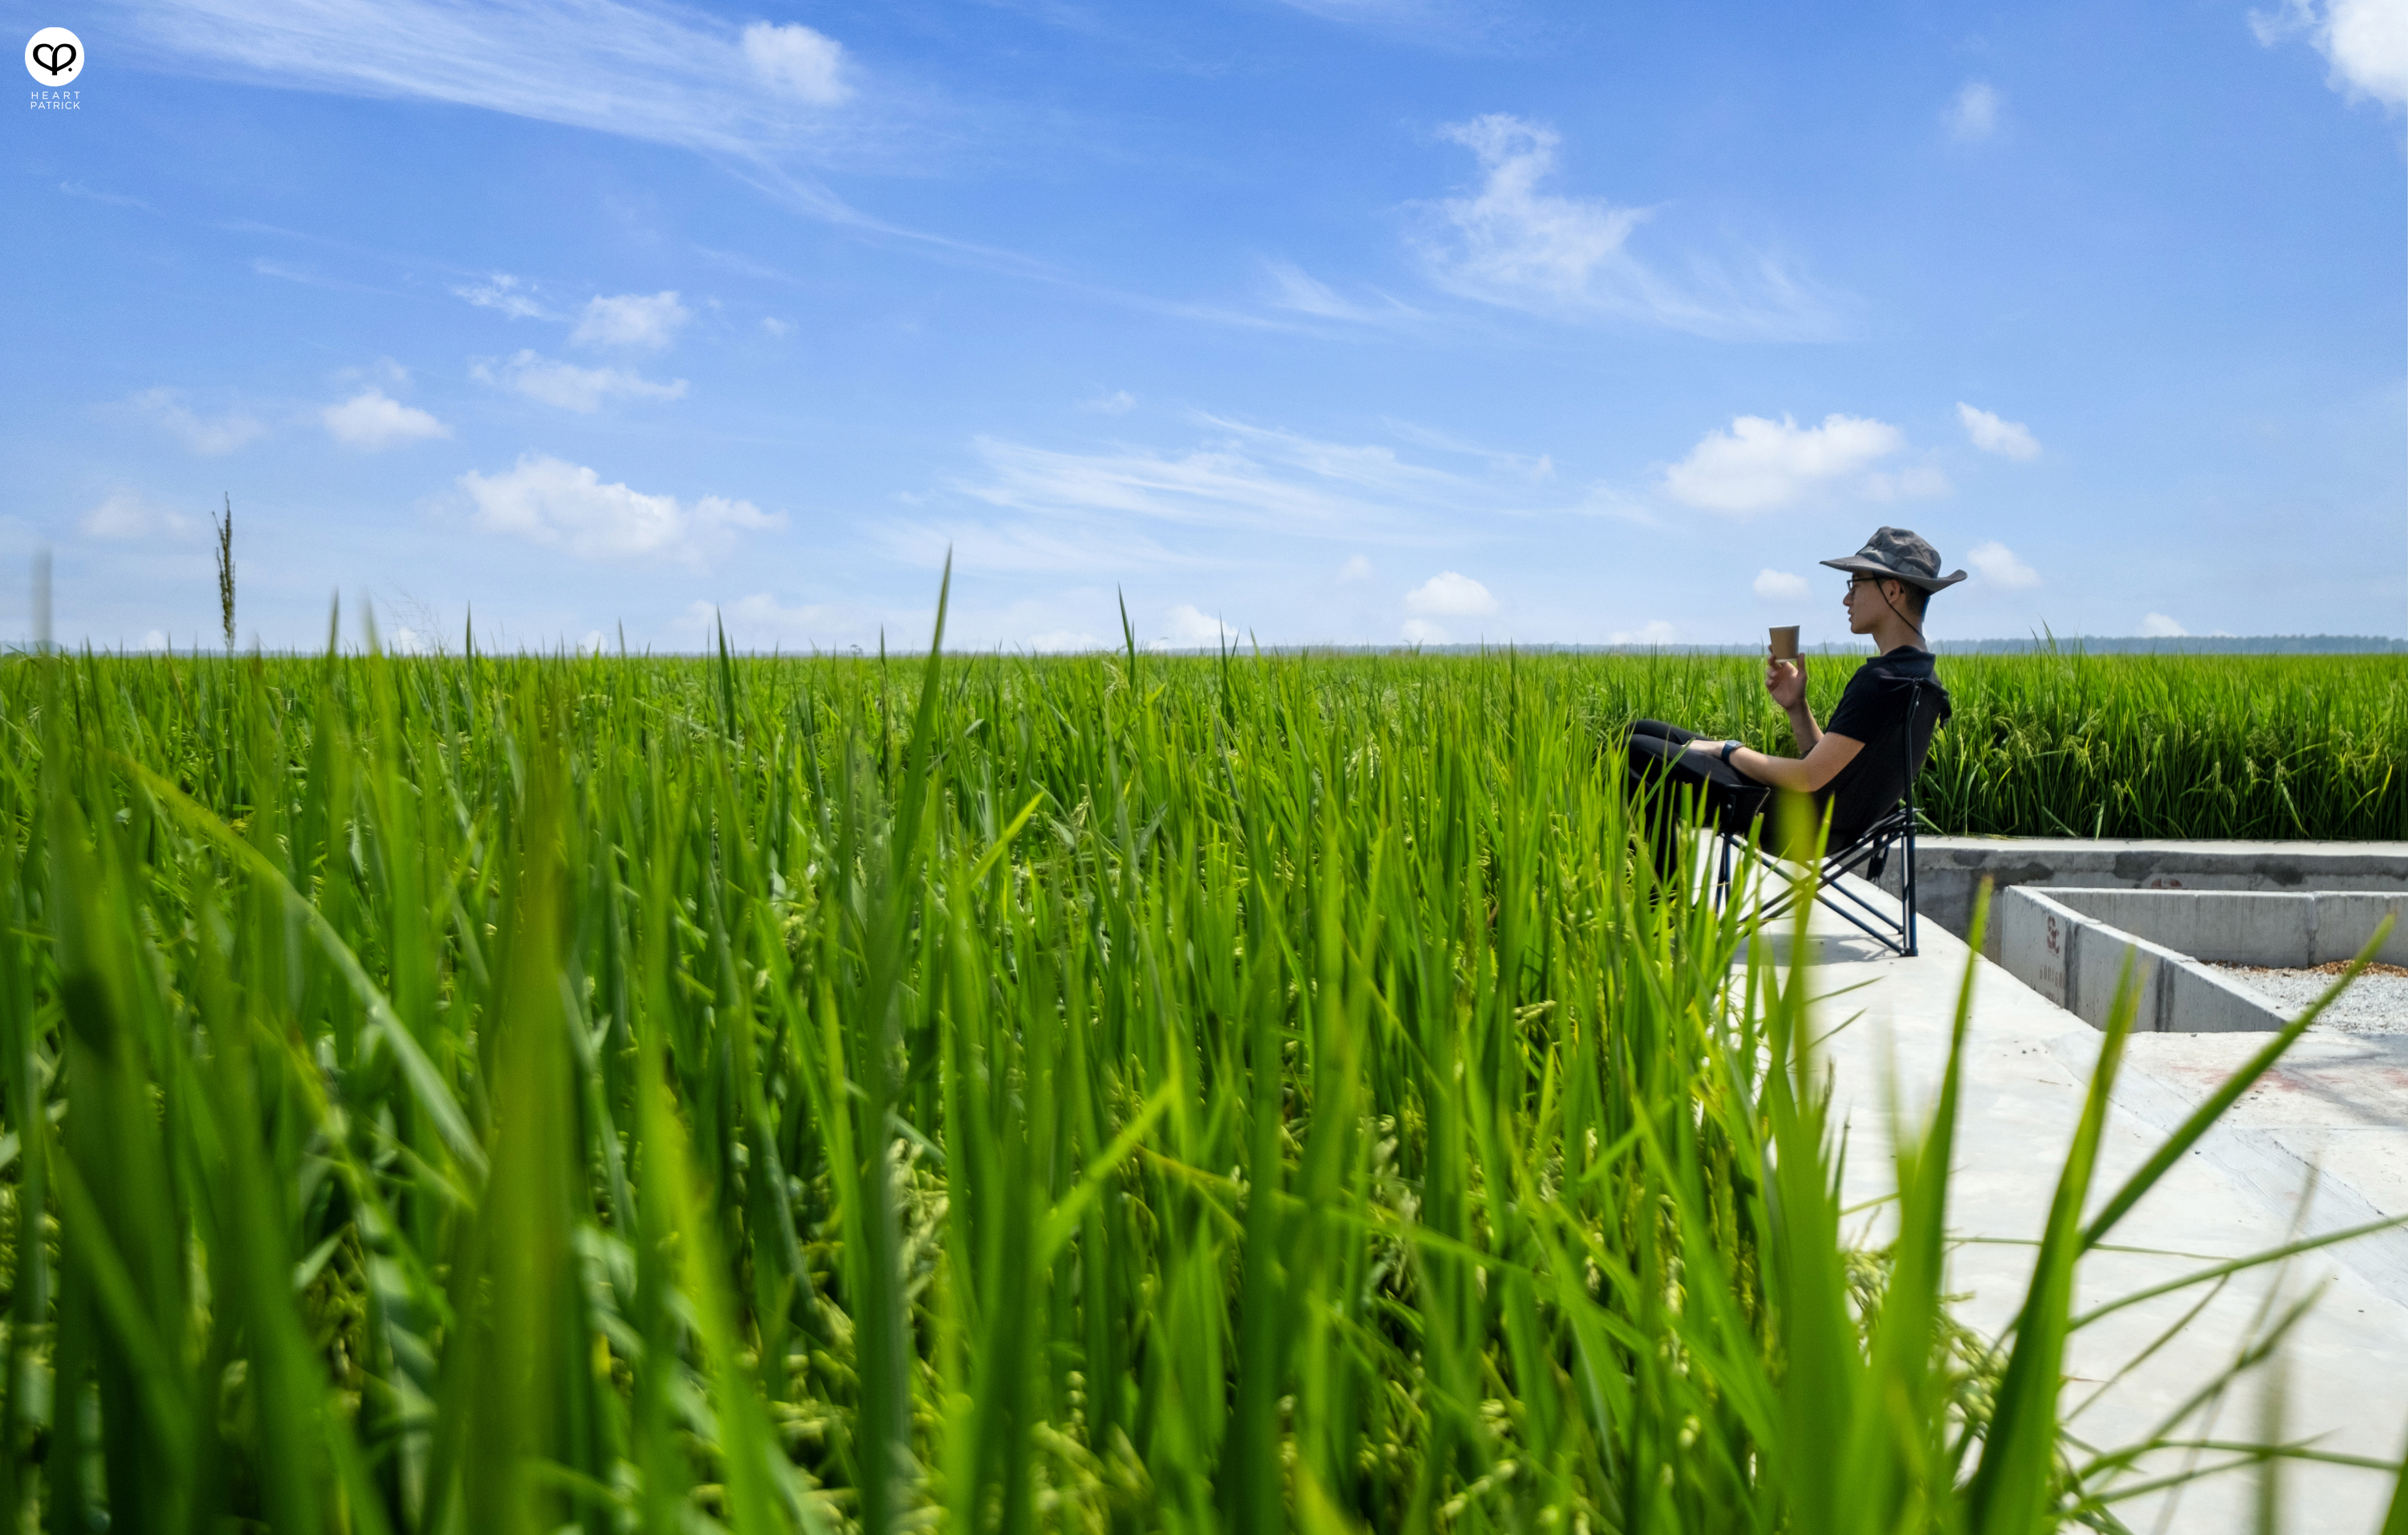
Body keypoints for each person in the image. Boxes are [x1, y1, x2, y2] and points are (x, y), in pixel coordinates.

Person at [1622, 527, 1963, 886]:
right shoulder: (1918, 676)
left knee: (1633, 752)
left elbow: (1807, 777)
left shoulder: (1884, 680)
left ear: (1893, 590)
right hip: (1833, 820)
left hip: (1796, 820)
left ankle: (1660, 899)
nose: (1847, 600)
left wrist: (1727, 750)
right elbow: (1830, 767)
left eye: (1856, 585)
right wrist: (1796, 707)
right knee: (1642, 730)